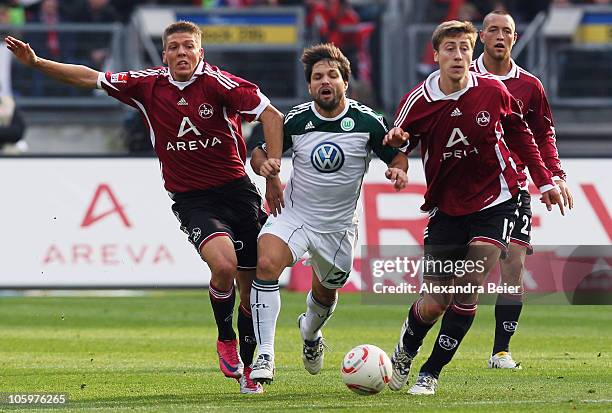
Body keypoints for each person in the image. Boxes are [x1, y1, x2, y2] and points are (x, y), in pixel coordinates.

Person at [5, 20, 284, 394]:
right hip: (192, 198)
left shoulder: (222, 84)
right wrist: (38, 63)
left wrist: (273, 174)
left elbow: (272, 116)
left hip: (238, 193)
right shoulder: (147, 84)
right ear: (165, 53)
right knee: (223, 264)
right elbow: (91, 78)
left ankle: (250, 368)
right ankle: (225, 338)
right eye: (174, 48)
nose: (181, 53)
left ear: (201, 52)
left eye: (189, 46)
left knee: (250, 289)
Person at [383, 20, 564, 395]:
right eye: (450, 48)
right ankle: (406, 349)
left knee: (469, 285)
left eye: (464, 48)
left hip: (497, 199)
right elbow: (399, 146)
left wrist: (545, 180)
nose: (458, 55)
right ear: (435, 56)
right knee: (434, 302)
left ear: (472, 52)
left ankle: (430, 373)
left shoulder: (494, 91)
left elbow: (522, 135)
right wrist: (398, 167)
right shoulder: (418, 100)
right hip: (446, 208)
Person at [247, 43, 408, 384]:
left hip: (337, 229)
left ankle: (310, 334)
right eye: (318, 76)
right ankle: (264, 354)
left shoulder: (367, 121)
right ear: (309, 86)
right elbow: (258, 153)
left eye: (332, 75)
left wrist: (398, 170)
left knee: (325, 294)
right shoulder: (296, 120)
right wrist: (268, 171)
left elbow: (396, 155)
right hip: (294, 216)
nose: (326, 81)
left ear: (344, 82)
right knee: (266, 264)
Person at [473, 10, 574, 370]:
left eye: (507, 31)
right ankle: (423, 338)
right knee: (458, 274)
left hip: (514, 189)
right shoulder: (461, 78)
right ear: (481, 36)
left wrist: (555, 175)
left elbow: (543, 134)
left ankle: (501, 351)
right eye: (494, 30)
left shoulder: (529, 85)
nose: (500, 36)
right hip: (466, 189)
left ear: (515, 39)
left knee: (513, 267)